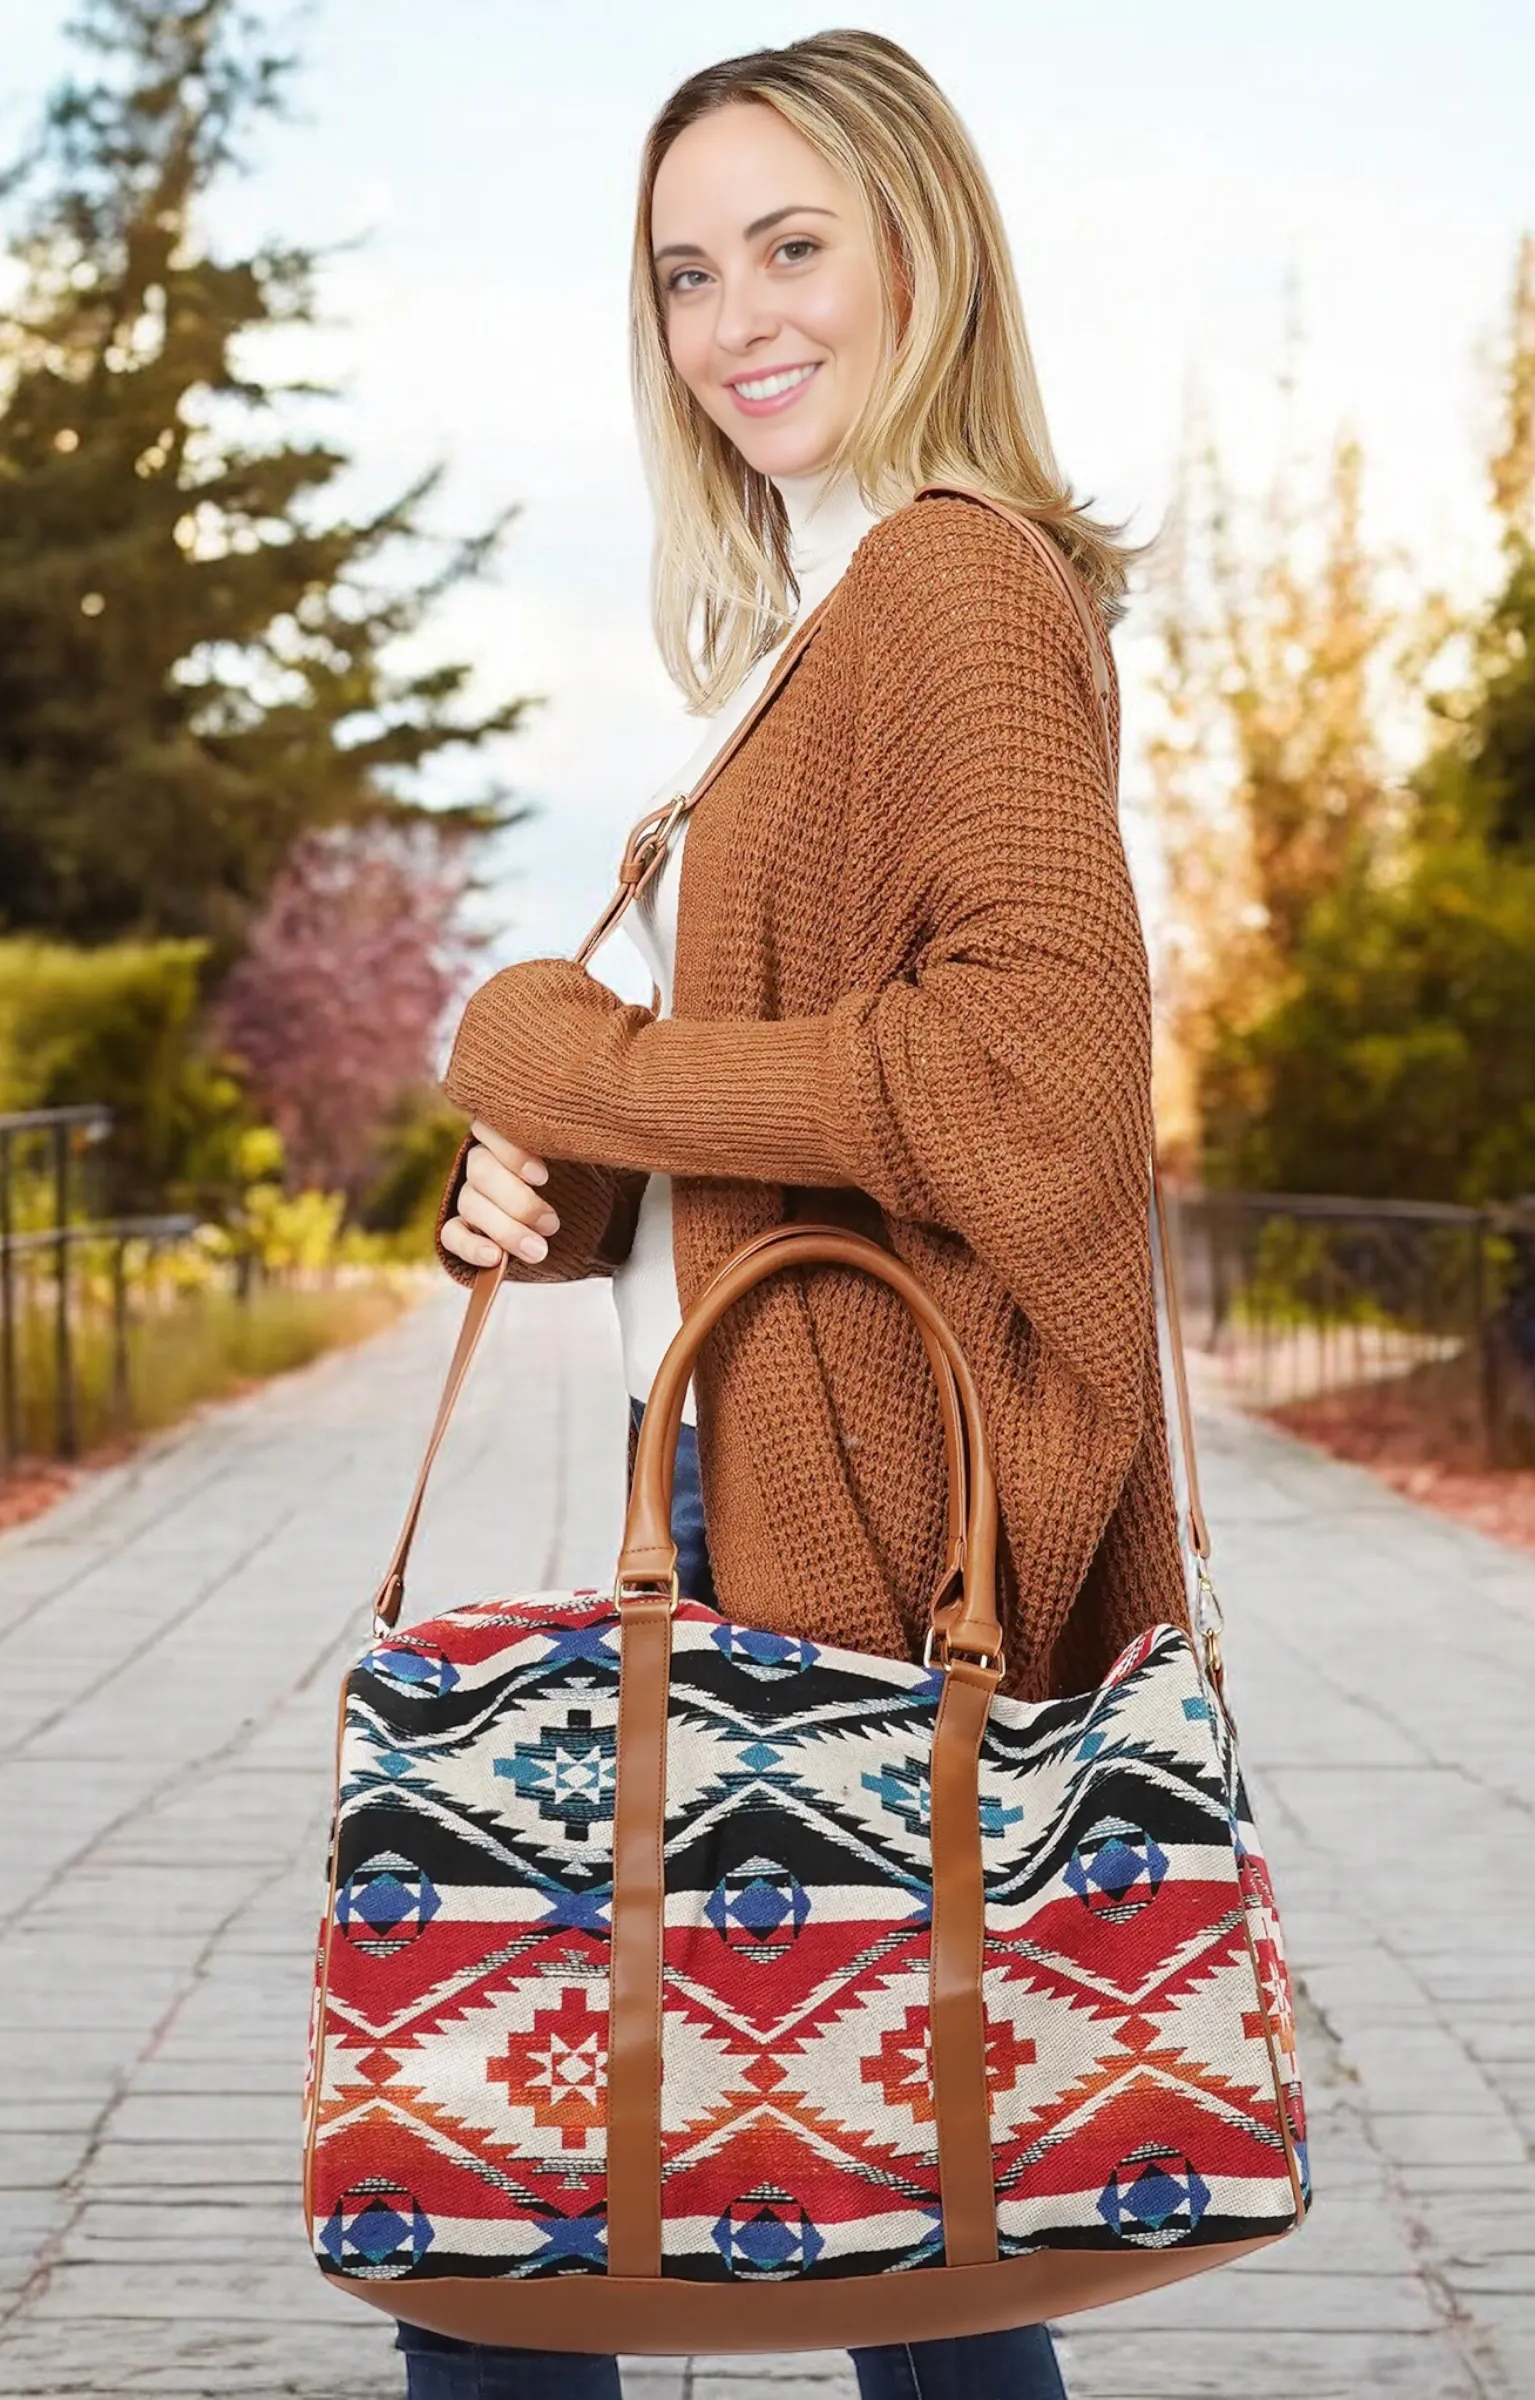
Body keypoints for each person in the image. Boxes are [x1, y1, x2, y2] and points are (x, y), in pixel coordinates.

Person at [413, 28, 1189, 2400]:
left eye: (789, 245)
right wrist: (551, 1187)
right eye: (682, 271)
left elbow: (1028, 1073)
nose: (735, 316)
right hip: (756, 1467)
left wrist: (605, 1070)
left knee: (526, 2218)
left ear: (919, 253)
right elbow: (799, 1068)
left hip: (843, 1510)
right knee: (895, 2236)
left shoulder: (946, 589)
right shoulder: (806, 621)